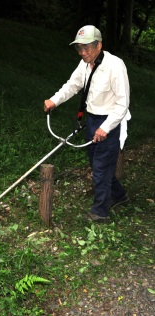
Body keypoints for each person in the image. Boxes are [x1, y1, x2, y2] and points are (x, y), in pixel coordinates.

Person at [44, 25, 131, 222]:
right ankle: (119, 195)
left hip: (110, 121)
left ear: (99, 45)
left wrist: (105, 127)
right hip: (92, 120)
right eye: (79, 49)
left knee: (101, 167)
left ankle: (100, 212)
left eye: (86, 48)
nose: (82, 53)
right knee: (97, 163)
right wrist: (54, 101)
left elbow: (122, 103)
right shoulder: (85, 64)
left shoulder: (115, 66)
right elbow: (72, 85)